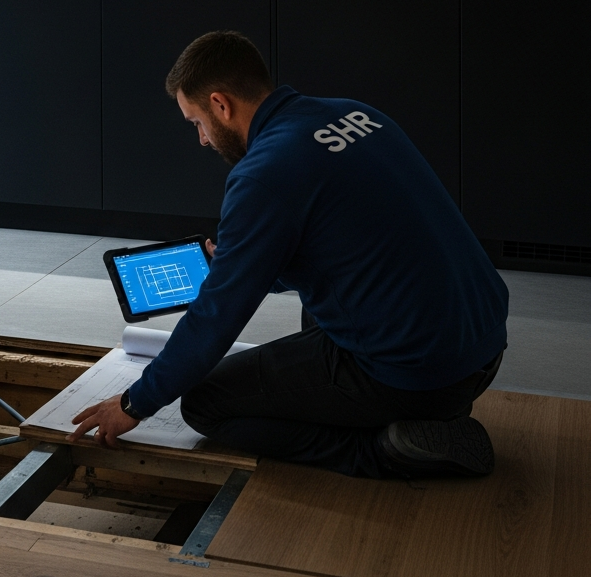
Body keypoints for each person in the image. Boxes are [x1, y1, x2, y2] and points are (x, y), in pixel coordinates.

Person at [68, 30, 509, 479]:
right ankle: (418, 412)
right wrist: (251, 258)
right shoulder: (356, 114)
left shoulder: (263, 174)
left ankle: (387, 449)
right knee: (313, 312)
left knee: (206, 403)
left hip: (419, 373)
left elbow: (215, 320)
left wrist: (134, 403)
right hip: (483, 345)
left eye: (196, 121)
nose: (201, 138)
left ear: (221, 104)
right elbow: (343, 242)